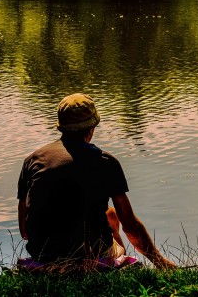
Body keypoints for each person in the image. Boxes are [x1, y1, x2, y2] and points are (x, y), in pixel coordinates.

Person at [17, 93, 176, 269]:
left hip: (42, 255)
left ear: (61, 126)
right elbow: (130, 226)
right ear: (92, 127)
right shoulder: (105, 162)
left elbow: (25, 230)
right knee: (113, 216)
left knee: (108, 214)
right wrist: (160, 261)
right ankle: (110, 266)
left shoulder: (32, 160)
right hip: (91, 255)